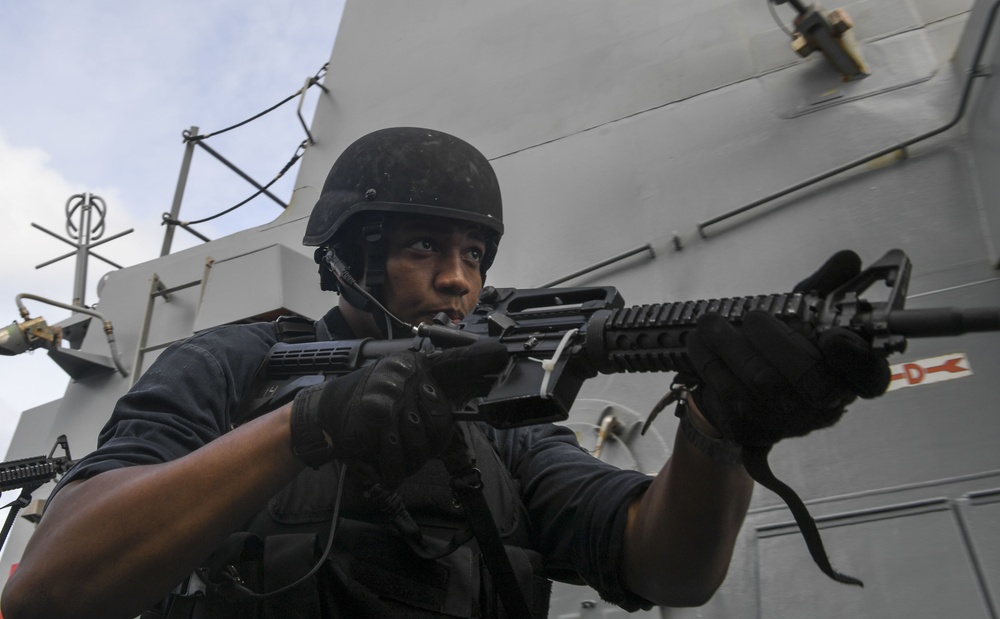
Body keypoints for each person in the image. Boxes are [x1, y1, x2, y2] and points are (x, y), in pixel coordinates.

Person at [1, 127, 889, 619]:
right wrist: (308, 425)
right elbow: (50, 586)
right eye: (426, 243)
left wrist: (718, 430)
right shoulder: (240, 364)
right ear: (350, 256)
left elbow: (666, 569)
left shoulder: (505, 416)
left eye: (474, 251)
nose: (460, 277)